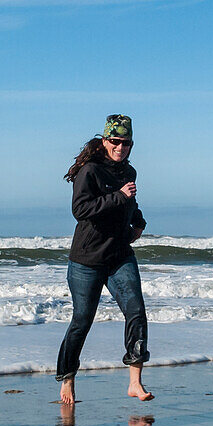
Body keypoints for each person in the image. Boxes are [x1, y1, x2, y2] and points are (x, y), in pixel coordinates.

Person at [56, 114, 152, 404]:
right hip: (87, 260)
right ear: (104, 141)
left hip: (120, 255)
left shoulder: (129, 173)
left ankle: (135, 382)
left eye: (126, 143)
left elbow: (130, 203)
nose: (120, 147)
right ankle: (67, 378)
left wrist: (138, 222)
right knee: (82, 321)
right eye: (115, 141)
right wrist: (119, 198)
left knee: (136, 312)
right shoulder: (90, 171)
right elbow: (81, 209)